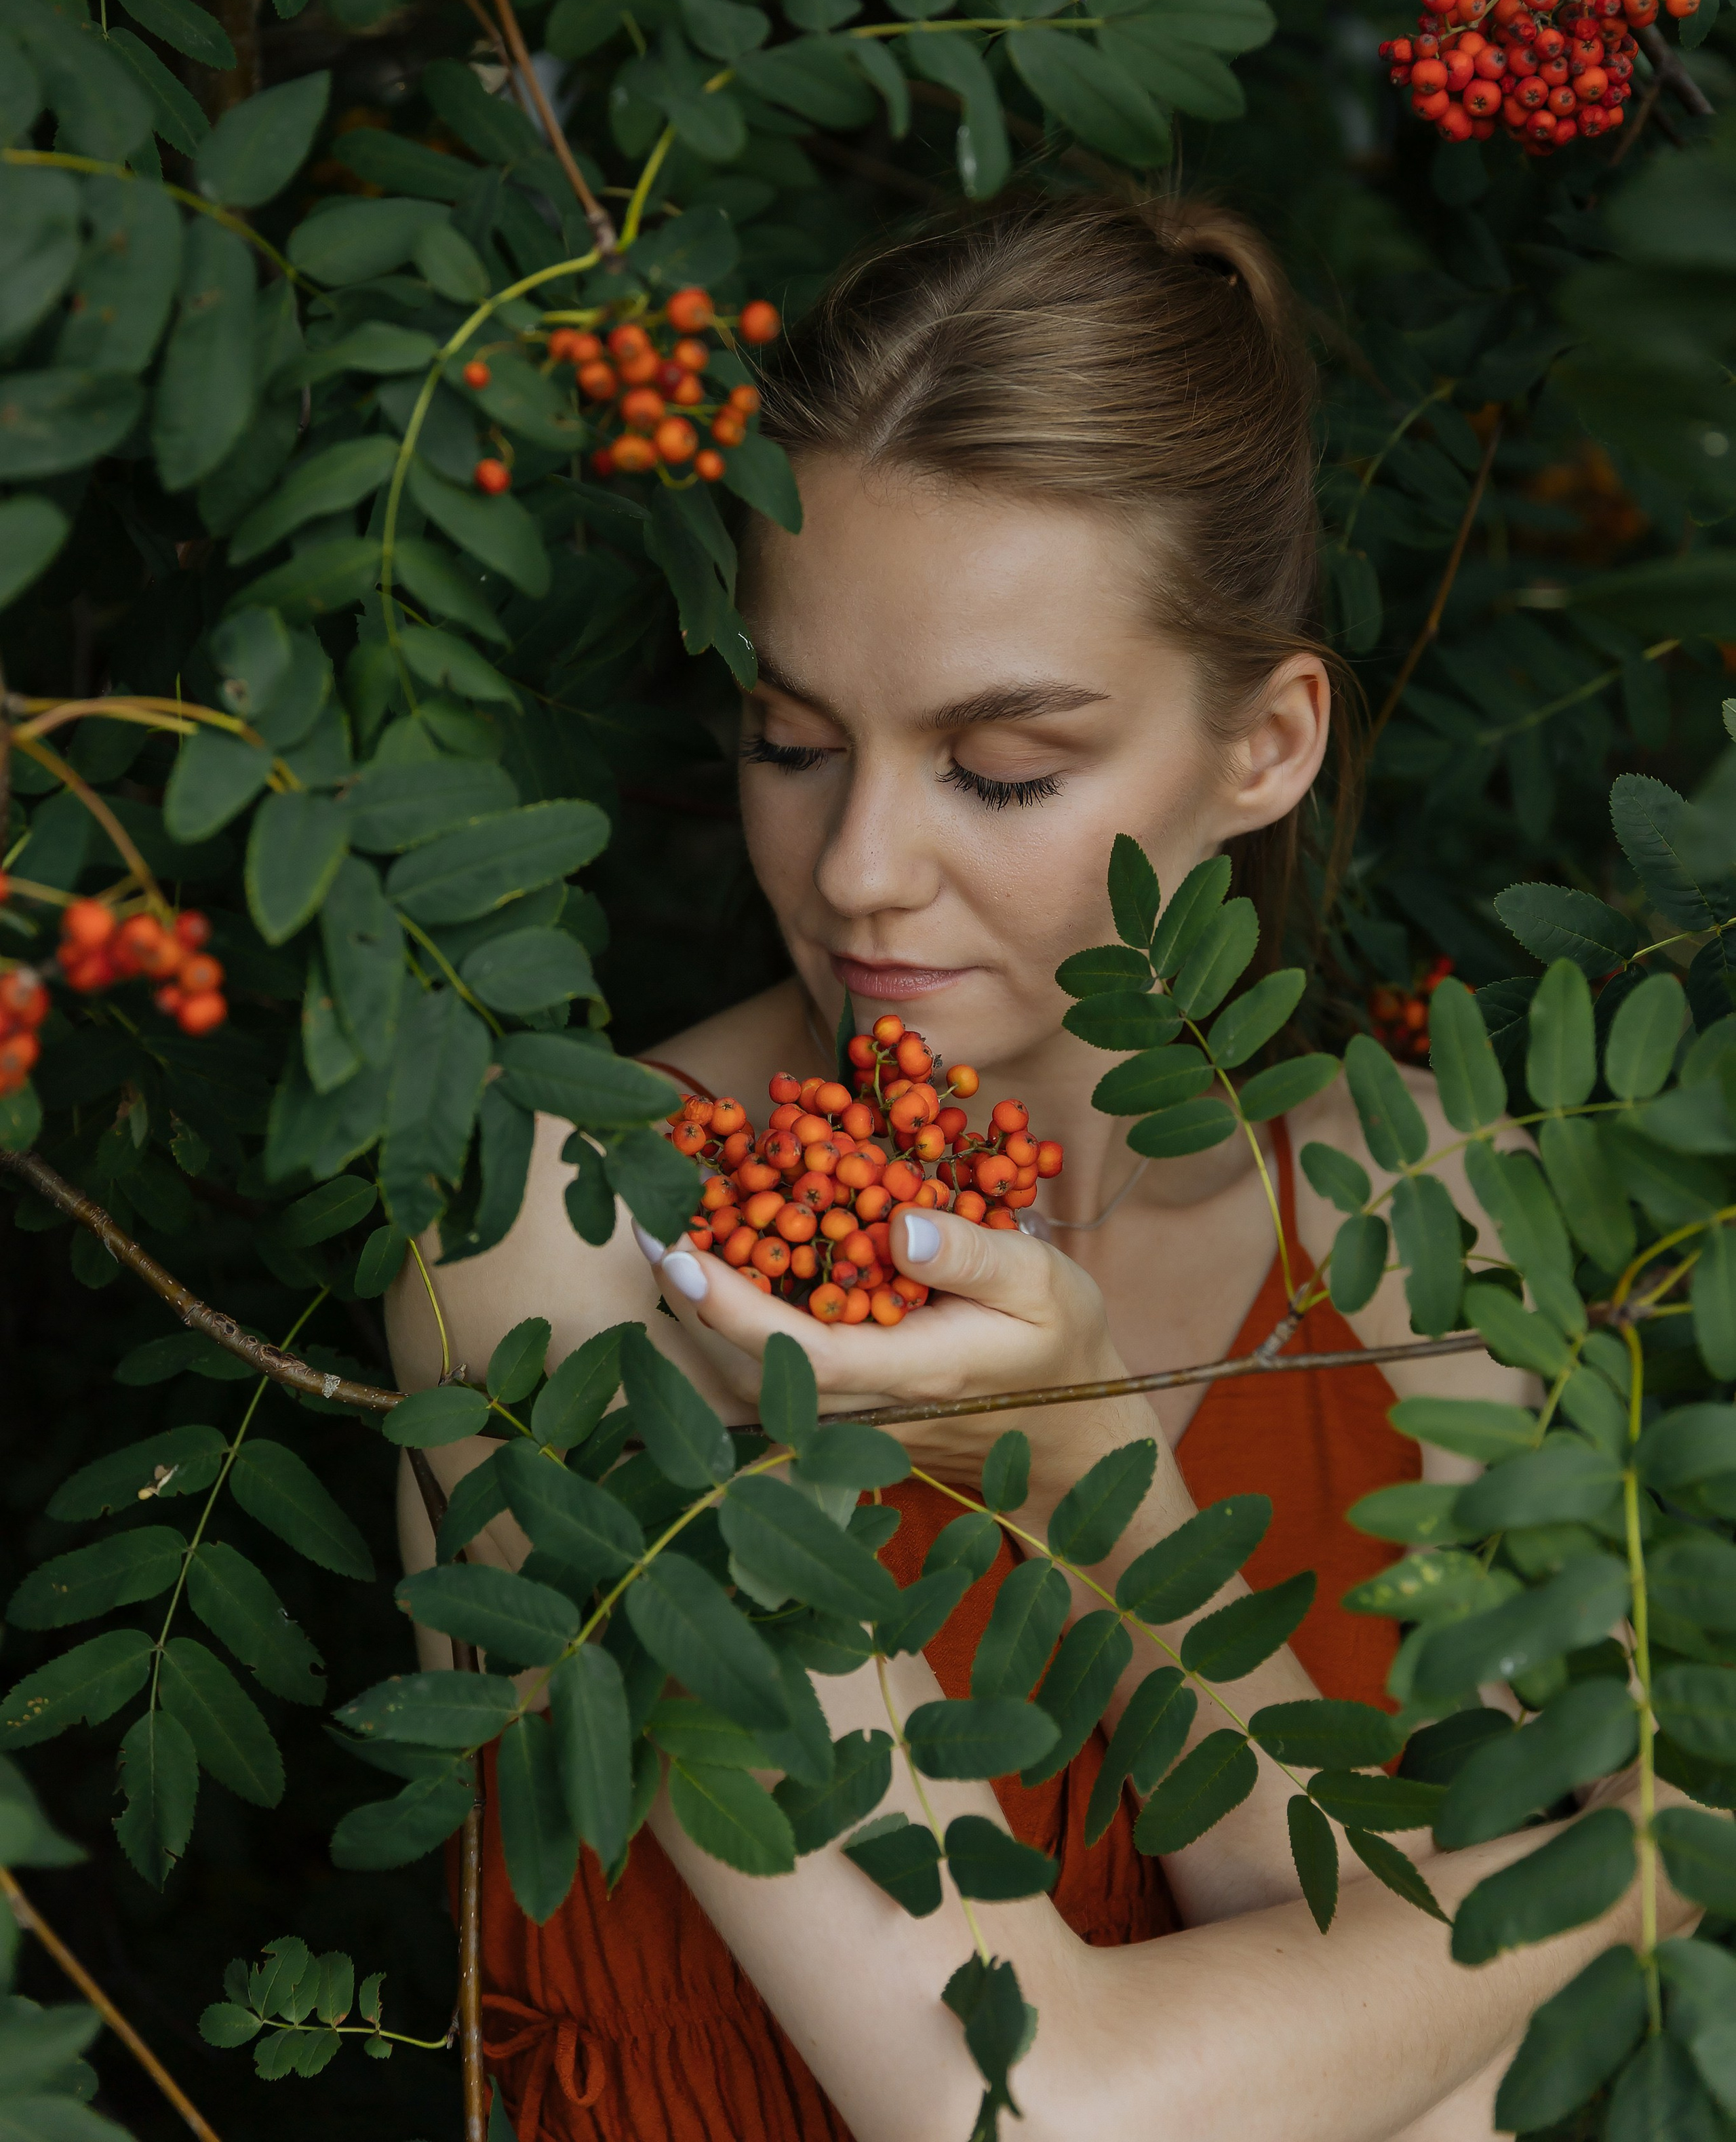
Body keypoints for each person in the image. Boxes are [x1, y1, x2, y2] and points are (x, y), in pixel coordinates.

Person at [389, 197, 1678, 2142]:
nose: (857, 870)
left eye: (1002, 768)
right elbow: (1019, 2110)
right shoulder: (566, 1207)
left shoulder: (1435, 1212)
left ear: (1267, 745)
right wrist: (1653, 1868)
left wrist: (1098, 1481)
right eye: (788, 739)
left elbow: (1407, 2044)